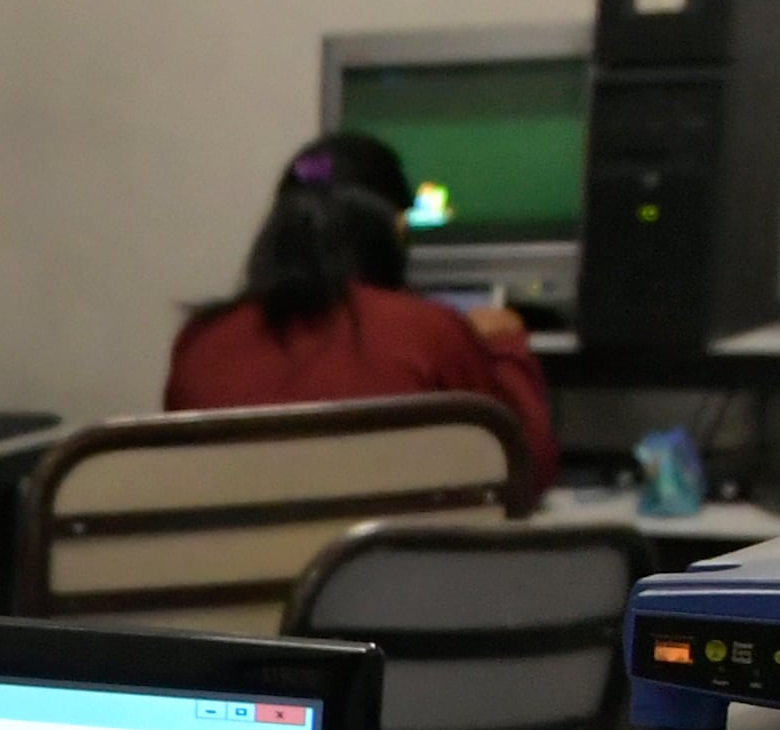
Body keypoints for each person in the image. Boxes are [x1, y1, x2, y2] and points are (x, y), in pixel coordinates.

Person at [162, 129, 559, 503]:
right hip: (390, 574)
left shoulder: (201, 341)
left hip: (244, 574)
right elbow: (522, 478)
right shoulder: (428, 332)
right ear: (390, 231)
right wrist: (504, 347)